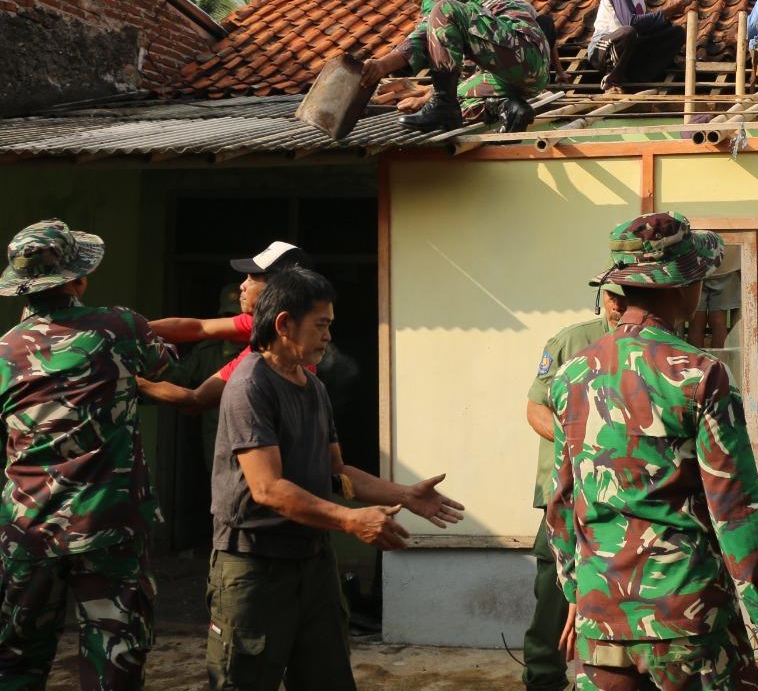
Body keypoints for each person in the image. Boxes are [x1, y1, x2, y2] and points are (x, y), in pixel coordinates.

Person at [547, 213, 758, 687]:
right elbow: (733, 509)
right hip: (684, 617)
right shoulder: (699, 375)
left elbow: (562, 501)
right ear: (684, 287)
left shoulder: (573, 375)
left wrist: (577, 591)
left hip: (602, 615)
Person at [208, 266, 465, 690]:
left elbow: (337, 472)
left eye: (330, 326)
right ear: (284, 324)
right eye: (321, 325)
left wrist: (405, 494)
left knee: (327, 677)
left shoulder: (313, 387)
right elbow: (267, 488)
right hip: (254, 564)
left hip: (312, 560)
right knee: (245, 679)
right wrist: (350, 520)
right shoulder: (250, 385)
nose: (328, 336)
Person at [0, 219, 177, 689]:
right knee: (114, 664)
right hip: (108, 526)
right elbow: (162, 363)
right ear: (78, 279)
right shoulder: (119, 326)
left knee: (15, 663)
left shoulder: (4, 351)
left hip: (27, 530)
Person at [520, 281, 624, 691]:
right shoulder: (572, 342)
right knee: (553, 588)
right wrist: (577, 443)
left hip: (623, 495)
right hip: (566, 492)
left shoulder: (657, 345)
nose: (616, 303)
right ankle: (543, 676)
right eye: (610, 294)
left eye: (624, 294)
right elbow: (535, 408)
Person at [360, 0, 552, 133]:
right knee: (459, 97)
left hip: (522, 49)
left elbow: (421, 37)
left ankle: (443, 105)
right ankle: (510, 107)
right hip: (529, 74)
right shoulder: (462, 23)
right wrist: (427, 98)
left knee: (443, 10)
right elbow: (463, 65)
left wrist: (381, 66)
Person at [139, 240, 312, 429]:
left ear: (276, 288)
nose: (242, 286)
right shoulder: (271, 323)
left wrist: (132, 382)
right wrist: (130, 326)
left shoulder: (271, 354)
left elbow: (195, 401)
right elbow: (199, 328)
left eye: (252, 278)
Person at [487, 0, 568, 85]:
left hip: (523, 61)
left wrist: (559, 71)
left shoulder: (525, 8)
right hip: (495, 61)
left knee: (545, 21)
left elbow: (547, 38)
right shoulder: (481, 8)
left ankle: (538, 75)